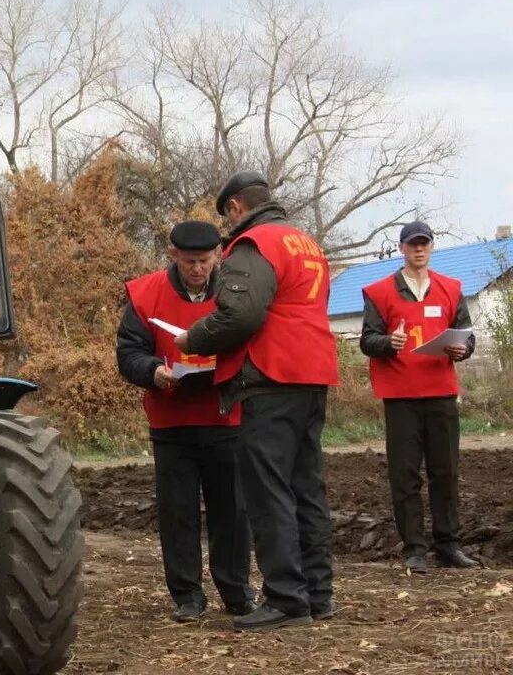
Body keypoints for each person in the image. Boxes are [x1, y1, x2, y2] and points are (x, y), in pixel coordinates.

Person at [174, 171, 338, 631]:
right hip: (312, 374)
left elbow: (241, 313)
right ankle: (318, 594)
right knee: (307, 486)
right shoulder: (307, 244)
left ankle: (286, 598)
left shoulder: (254, 245)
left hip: (270, 376)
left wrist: (194, 337)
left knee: (268, 491)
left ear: (234, 209)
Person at [116, 221, 255, 623]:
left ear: (218, 257)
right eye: (190, 261)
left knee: (230, 511)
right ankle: (188, 597)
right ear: (173, 256)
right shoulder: (145, 294)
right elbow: (128, 352)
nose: (198, 269)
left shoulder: (236, 291)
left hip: (224, 417)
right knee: (178, 513)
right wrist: (152, 372)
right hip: (171, 422)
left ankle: (236, 591)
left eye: (206, 261)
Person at [359, 221, 479, 572]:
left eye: (424, 244)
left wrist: (463, 349)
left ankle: (448, 545)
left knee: (446, 471)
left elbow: (467, 335)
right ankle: (414, 548)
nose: (419, 249)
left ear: (431, 247)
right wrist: (388, 344)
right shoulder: (380, 292)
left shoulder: (451, 289)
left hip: (441, 393)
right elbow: (368, 340)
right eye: (413, 245)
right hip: (400, 397)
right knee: (405, 474)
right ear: (402, 249)